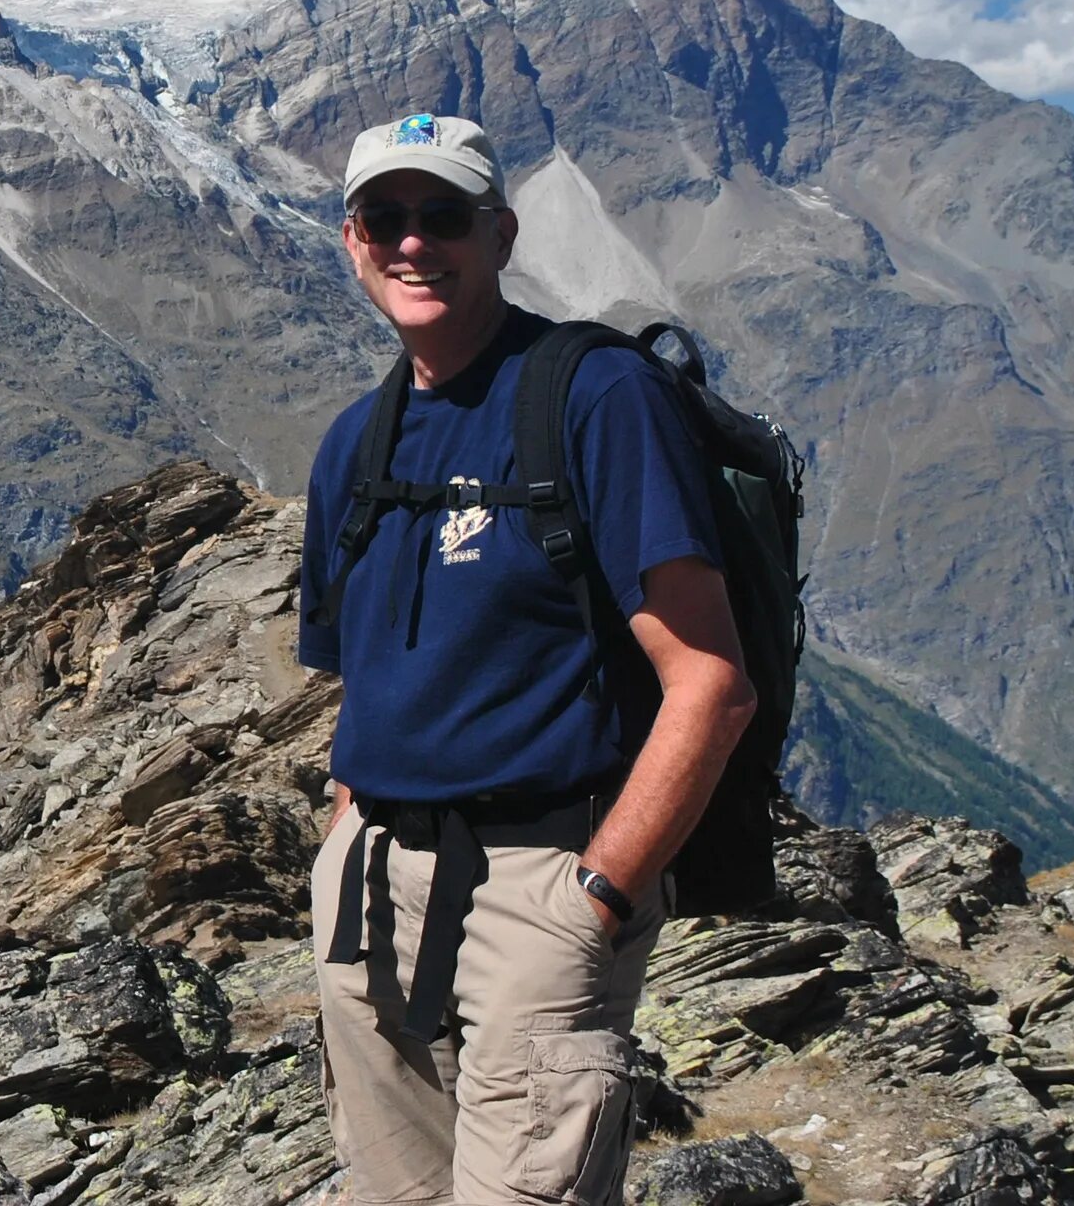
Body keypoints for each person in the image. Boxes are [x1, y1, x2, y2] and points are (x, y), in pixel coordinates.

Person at [301, 112, 757, 1205]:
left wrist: (598, 896)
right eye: (387, 219)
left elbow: (712, 679)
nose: (415, 244)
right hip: (368, 892)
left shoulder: (595, 398)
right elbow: (363, 675)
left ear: (501, 233)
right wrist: (338, 850)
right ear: (354, 241)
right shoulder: (351, 445)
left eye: (445, 216)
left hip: (539, 888)